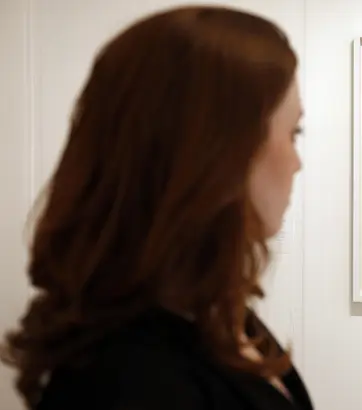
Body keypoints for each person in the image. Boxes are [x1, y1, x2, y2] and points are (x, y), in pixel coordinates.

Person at [0, 5, 310, 410]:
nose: (297, 163)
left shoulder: (215, 318)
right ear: (217, 154)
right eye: (293, 133)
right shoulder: (130, 379)